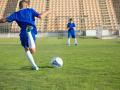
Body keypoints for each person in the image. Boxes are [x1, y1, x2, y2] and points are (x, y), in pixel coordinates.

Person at [0, 0, 50, 70]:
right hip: (31, 29)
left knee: (26, 49)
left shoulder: (16, 14)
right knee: (33, 51)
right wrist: (48, 11)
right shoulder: (30, 10)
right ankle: (29, 33)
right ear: (26, 5)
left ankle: (34, 66)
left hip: (23, 32)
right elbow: (41, 16)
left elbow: (4, 20)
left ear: (19, 6)